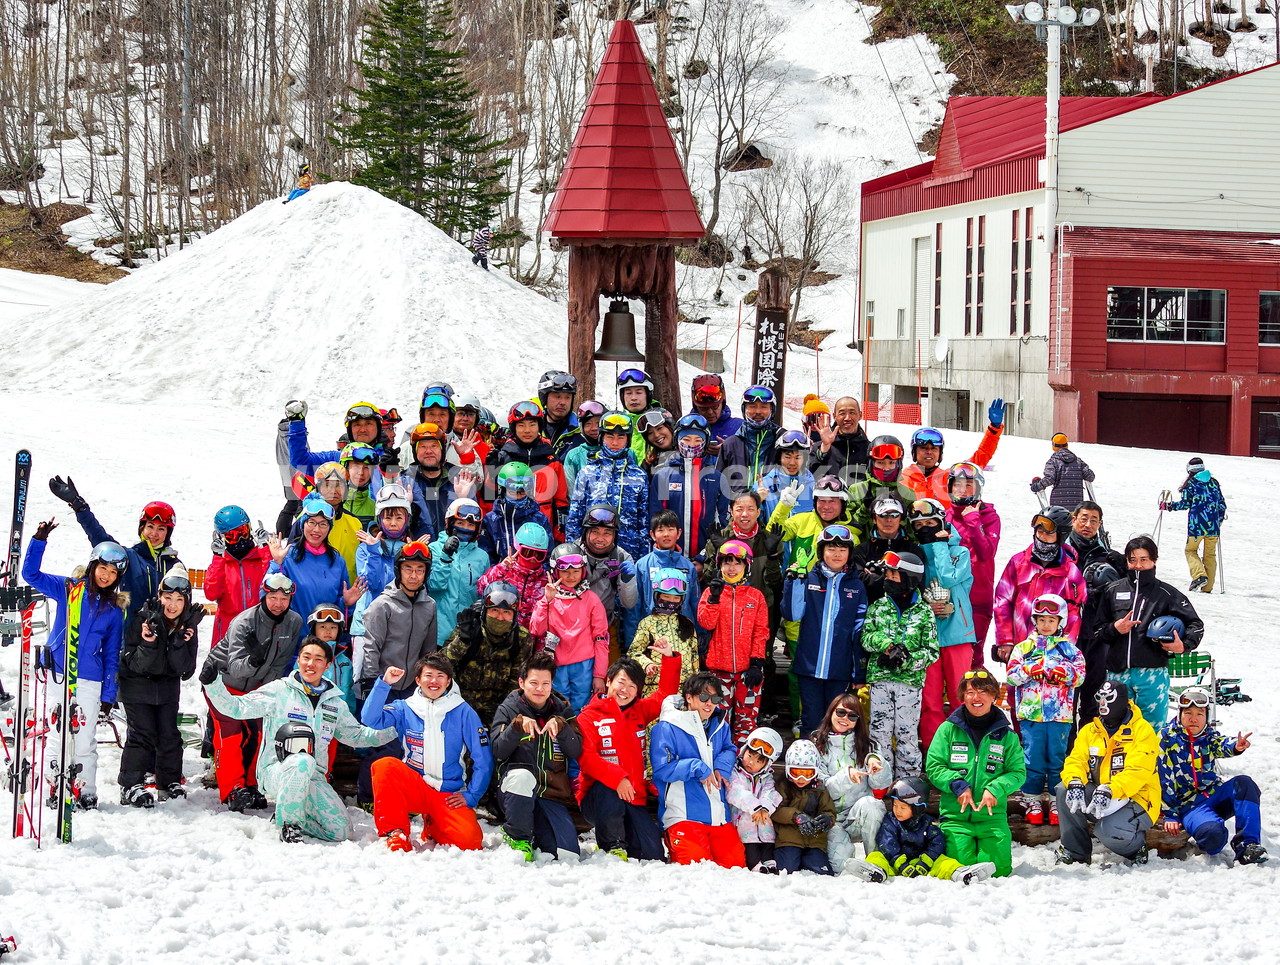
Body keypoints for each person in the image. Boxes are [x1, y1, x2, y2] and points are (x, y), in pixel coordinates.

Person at [206, 638, 394, 843]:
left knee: (341, 832)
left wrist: (394, 732)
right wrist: (213, 683)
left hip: (314, 778)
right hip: (277, 772)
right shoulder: (279, 691)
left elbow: (356, 735)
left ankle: (289, 816)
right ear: (298, 661)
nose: (310, 664)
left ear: (327, 665)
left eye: (318, 659)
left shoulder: (334, 702)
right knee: (302, 760)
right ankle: (289, 824)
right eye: (306, 657)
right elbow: (236, 707)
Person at [21, 522, 126, 811]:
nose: (106, 576)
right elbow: (30, 575)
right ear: (93, 566)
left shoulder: (114, 611)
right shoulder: (69, 589)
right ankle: (56, 784)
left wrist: (108, 695)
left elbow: (111, 657)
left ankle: (86, 789)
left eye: (113, 572)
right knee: (57, 732)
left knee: (84, 737)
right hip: (59, 673)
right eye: (103, 568)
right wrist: (38, 541)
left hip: (90, 680)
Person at [360, 653, 493, 852]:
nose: (434, 681)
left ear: (448, 681)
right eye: (428, 675)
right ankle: (396, 832)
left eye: (440, 676)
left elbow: (483, 757)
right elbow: (370, 719)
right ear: (418, 680)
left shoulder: (462, 710)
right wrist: (384, 684)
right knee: (384, 766)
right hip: (415, 786)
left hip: (448, 793)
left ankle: (433, 824)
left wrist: (472, 795)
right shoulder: (405, 707)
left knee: (469, 842)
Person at [198, 572, 304, 810]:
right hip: (222, 683)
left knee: (259, 732)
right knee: (231, 731)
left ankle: (252, 784)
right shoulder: (244, 622)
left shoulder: (294, 622)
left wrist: (264, 693)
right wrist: (253, 663)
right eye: (273, 597)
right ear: (264, 596)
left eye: (284, 599)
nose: (278, 604)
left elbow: (280, 664)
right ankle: (232, 789)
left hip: (257, 686)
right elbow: (235, 668)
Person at [577, 651, 680, 860]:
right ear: (608, 682)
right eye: (621, 683)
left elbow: (664, 695)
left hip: (633, 796)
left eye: (632, 686)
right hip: (598, 797)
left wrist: (670, 658)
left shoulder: (640, 711)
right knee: (607, 787)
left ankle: (627, 841)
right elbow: (587, 758)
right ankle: (612, 846)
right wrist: (617, 778)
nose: (625, 691)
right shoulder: (588, 716)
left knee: (652, 854)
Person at [924, 670, 1025, 877]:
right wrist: (957, 784)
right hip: (956, 818)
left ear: (994, 696)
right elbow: (934, 766)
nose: (976, 698)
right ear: (962, 696)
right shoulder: (948, 729)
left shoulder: (1006, 734)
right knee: (960, 870)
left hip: (992, 819)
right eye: (970, 692)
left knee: (997, 872)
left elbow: (1018, 772)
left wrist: (995, 789)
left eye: (983, 691)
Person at [117, 565, 202, 807]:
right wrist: (150, 642)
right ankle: (130, 785)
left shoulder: (187, 626)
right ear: (159, 597)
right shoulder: (143, 619)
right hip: (136, 686)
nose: (172, 605)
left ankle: (169, 782)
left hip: (166, 690)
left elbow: (185, 670)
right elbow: (137, 665)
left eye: (178, 599)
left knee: (169, 736)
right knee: (142, 734)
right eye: (167, 598)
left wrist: (178, 643)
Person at [1096, 535, 1204, 724]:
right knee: (1115, 729)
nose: (1138, 565)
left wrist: (1183, 646)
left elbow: (1195, 625)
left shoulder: (1166, 593)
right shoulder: (1112, 590)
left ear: (1154, 560)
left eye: (1143, 559)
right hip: (1117, 673)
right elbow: (1097, 630)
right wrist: (1115, 628)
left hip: (1152, 674)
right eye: (1133, 560)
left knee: (1152, 730)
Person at [47, 477, 182, 625]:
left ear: (167, 533)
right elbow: (100, 539)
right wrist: (79, 507)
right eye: (150, 526)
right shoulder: (130, 557)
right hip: (130, 636)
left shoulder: (175, 566)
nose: (154, 534)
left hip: (162, 641)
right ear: (142, 528)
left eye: (161, 529)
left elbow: (183, 603)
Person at [490, 651, 584, 861]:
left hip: (550, 793)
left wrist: (562, 728)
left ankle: (534, 831)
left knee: (566, 853)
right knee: (522, 776)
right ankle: (517, 836)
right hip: (515, 792)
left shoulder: (563, 710)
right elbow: (497, 750)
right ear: (522, 682)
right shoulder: (508, 709)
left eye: (545, 683)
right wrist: (516, 728)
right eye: (533, 682)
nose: (539, 689)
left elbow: (575, 750)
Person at [1158, 686, 1266, 865]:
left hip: (1215, 795)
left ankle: (1248, 845)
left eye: (1200, 714)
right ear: (1179, 714)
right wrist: (1170, 814)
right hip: (1190, 806)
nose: (1194, 719)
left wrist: (1235, 746)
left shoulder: (1207, 734)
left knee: (1245, 784)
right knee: (1213, 837)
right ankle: (1208, 829)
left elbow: (1221, 743)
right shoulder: (1166, 739)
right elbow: (1164, 779)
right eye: (1188, 713)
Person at [1055, 680, 1160, 866]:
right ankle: (1075, 851)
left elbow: (1138, 771)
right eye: (1100, 698)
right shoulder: (1090, 730)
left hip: (1138, 798)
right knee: (1064, 790)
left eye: (1109, 699)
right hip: (1102, 796)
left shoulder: (1142, 731)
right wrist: (1075, 782)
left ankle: (1136, 847)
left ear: (1122, 701)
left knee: (1107, 831)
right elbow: (1075, 760)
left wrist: (1110, 790)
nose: (1103, 704)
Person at [649, 673, 746, 868]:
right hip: (682, 815)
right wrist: (696, 767)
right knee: (696, 868)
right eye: (703, 697)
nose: (709, 703)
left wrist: (722, 767)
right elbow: (661, 769)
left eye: (715, 699)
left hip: (718, 816)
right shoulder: (667, 727)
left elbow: (729, 749)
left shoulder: (720, 725)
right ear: (689, 697)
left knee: (735, 868)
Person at [1005, 593, 1085, 826]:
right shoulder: (1024, 648)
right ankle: (1033, 799)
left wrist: (1065, 673)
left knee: (1057, 759)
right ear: (1034, 621)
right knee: (1033, 758)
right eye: (1041, 620)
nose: (1046, 625)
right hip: (1031, 715)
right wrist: (1030, 670)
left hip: (1060, 715)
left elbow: (1080, 675)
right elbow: (1011, 675)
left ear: (1060, 622)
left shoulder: (1069, 650)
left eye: (1051, 620)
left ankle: (1055, 800)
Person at [782, 526, 869, 736]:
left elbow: (859, 631)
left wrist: (859, 672)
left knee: (838, 722)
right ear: (822, 552)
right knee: (811, 720)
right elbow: (792, 614)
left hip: (839, 669)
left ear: (849, 553)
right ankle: (807, 767)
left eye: (842, 549)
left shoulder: (856, 586)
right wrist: (795, 579)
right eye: (831, 548)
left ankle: (834, 765)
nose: (837, 554)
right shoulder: (809, 578)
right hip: (809, 667)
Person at [860, 549, 937, 780]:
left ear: (909, 579)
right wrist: (886, 646)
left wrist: (905, 660)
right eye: (887, 575)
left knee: (906, 734)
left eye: (893, 576)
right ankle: (879, 780)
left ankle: (908, 783)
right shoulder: (879, 607)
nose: (887, 580)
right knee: (879, 732)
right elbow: (865, 637)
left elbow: (932, 652)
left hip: (909, 685)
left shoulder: (924, 612)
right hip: (881, 682)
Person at [910, 498, 976, 747]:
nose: (926, 528)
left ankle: (966, 747)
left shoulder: (960, 552)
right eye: (920, 525)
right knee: (930, 700)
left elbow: (948, 578)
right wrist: (924, 606)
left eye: (931, 523)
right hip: (926, 637)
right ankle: (933, 748)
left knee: (963, 696)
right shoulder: (915, 556)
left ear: (943, 523)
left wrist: (939, 545)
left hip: (957, 633)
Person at [849, 778, 996, 884]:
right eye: (895, 805)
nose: (897, 811)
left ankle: (960, 873)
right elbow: (887, 843)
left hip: (921, 862)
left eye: (903, 807)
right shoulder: (891, 821)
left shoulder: (926, 823)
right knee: (876, 855)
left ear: (917, 808)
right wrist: (900, 863)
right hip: (895, 862)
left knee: (944, 861)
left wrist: (925, 862)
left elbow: (937, 842)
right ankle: (875, 871)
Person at [697, 540, 771, 745]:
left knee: (746, 722)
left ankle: (742, 766)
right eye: (726, 563)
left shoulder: (755, 596)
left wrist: (757, 662)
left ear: (746, 566)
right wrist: (713, 598)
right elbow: (705, 622)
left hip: (747, 672)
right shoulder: (712, 593)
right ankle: (718, 762)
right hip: (718, 671)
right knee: (718, 719)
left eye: (737, 563)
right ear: (719, 566)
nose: (731, 568)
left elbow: (761, 631)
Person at [992, 508, 1085, 667]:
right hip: (1020, 648)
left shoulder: (1069, 572)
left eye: (1048, 534)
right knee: (1017, 688)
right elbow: (1002, 602)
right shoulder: (1019, 562)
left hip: (1054, 653)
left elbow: (1074, 614)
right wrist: (1005, 639)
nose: (1042, 537)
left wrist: (1065, 649)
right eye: (1039, 532)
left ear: (1060, 536)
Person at [811, 694, 890, 873]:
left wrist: (879, 765)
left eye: (852, 716)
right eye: (841, 712)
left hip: (859, 814)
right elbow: (822, 788)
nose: (845, 718)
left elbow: (880, 785)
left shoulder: (869, 746)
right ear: (831, 712)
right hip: (832, 818)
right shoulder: (817, 745)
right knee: (842, 867)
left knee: (872, 804)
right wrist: (847, 776)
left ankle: (876, 859)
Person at [442, 581, 536, 729]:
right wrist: (462, 640)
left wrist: (504, 713)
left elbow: (517, 681)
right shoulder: (471, 629)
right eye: (495, 611)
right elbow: (442, 665)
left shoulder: (521, 638)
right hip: (460, 702)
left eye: (506, 613)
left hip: (497, 706)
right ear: (485, 610)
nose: (500, 618)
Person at [530, 544, 609, 713]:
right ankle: (560, 737)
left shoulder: (591, 600)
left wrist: (599, 675)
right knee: (558, 706)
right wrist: (546, 601)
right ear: (556, 572)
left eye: (576, 571)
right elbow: (536, 630)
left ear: (583, 570)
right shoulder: (549, 598)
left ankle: (580, 737)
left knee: (583, 708)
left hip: (584, 665)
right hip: (556, 664)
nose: (571, 576)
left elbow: (601, 638)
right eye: (565, 571)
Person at [566, 410, 650, 560]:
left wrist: (642, 558)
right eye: (610, 436)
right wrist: (574, 555)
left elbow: (643, 522)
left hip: (629, 553)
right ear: (601, 438)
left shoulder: (639, 476)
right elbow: (575, 517)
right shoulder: (587, 473)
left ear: (628, 439)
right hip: (592, 553)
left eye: (621, 437)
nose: (615, 443)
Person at [266, 498, 363, 624]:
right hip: (294, 637)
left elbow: (340, 607)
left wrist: (346, 603)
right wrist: (277, 563)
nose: (316, 530)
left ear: (329, 528)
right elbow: (267, 595)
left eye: (323, 524)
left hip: (325, 639)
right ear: (303, 525)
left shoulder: (337, 561)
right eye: (311, 522)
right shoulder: (287, 557)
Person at [647, 413, 728, 559]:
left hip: (706, 560)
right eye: (686, 439)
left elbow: (723, 522)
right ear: (677, 440)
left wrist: (706, 558)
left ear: (706, 442)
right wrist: (666, 556)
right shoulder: (664, 476)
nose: (692, 445)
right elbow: (656, 519)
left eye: (698, 440)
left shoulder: (716, 478)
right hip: (670, 559)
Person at [944, 462, 1001, 665]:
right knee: (950, 657)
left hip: (977, 598)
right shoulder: (945, 516)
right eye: (957, 485)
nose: (962, 490)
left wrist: (973, 520)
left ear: (977, 488)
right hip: (950, 598)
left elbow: (987, 552)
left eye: (968, 485)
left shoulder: (989, 517)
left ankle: (975, 695)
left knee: (973, 657)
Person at [350, 483, 413, 670]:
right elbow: (372, 583)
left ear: (407, 519)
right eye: (388, 518)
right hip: (366, 627)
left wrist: (412, 557)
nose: (393, 523)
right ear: (379, 519)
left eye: (398, 518)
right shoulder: (365, 548)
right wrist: (374, 551)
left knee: (391, 680)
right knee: (362, 680)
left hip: (397, 628)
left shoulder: (411, 548)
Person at [487, 401, 569, 538]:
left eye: (532, 425)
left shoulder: (551, 459)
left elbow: (561, 502)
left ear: (539, 426)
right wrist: (492, 473)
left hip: (543, 531)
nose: (527, 430)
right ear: (513, 428)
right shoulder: (503, 456)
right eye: (521, 425)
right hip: (509, 530)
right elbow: (489, 498)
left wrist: (559, 536)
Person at [901, 402, 1005, 508]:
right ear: (914, 452)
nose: (929, 452)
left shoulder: (949, 477)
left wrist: (993, 430)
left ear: (940, 453)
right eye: (924, 448)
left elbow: (981, 457)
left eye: (934, 449)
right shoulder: (903, 479)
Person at [205, 505, 272, 647]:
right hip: (228, 632)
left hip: (258, 628)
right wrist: (218, 558)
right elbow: (211, 593)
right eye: (232, 536)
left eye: (243, 532)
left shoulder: (260, 559)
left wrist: (265, 548)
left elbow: (272, 581)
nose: (240, 539)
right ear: (222, 538)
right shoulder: (223, 564)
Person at [426, 498, 489, 647]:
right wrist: (445, 556)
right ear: (450, 523)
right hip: (438, 634)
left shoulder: (482, 557)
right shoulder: (433, 549)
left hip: (467, 634)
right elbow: (433, 585)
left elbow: (483, 592)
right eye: (460, 523)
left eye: (470, 524)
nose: (465, 528)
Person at [627, 568, 700, 695]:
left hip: (684, 688)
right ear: (657, 595)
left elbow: (694, 655)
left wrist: (696, 683)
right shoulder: (648, 623)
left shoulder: (687, 623)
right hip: (655, 687)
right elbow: (633, 652)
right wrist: (647, 664)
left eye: (676, 598)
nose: (671, 601)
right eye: (666, 597)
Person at [628, 510, 699, 640]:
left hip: (683, 633)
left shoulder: (688, 566)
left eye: (671, 529)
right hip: (652, 634)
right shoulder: (643, 565)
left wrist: (700, 636)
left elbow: (695, 603)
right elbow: (635, 605)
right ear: (653, 534)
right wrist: (632, 639)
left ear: (678, 533)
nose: (666, 534)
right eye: (660, 530)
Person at [476, 522, 551, 641]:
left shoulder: (546, 582)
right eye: (528, 553)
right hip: (502, 640)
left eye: (539, 555)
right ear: (517, 548)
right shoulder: (504, 571)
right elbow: (481, 588)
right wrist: (499, 569)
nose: (533, 559)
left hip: (531, 643)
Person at [771, 740, 837, 875]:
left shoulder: (820, 789)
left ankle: (811, 862)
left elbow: (829, 810)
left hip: (814, 841)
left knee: (822, 873)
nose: (801, 779)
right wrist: (796, 816)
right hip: (789, 840)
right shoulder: (784, 786)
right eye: (795, 773)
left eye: (807, 774)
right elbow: (775, 810)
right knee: (786, 870)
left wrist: (827, 820)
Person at [726, 727, 785, 873]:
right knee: (751, 848)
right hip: (743, 823)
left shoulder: (767, 777)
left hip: (763, 824)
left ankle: (769, 863)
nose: (751, 762)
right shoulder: (735, 772)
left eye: (759, 761)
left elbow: (770, 793)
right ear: (744, 750)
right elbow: (736, 791)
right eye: (750, 755)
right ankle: (756, 866)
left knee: (767, 844)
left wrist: (765, 808)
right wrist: (755, 807)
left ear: (767, 764)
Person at [1163, 456, 1227, 593]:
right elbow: (1222, 504)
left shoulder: (1191, 484)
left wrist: (1169, 506)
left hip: (1196, 526)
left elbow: (1185, 503)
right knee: (1210, 555)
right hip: (1213, 527)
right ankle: (1208, 586)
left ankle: (1199, 575)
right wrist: (1219, 519)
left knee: (1190, 550)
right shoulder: (1214, 483)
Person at [479, 462, 553, 564]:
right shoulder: (491, 520)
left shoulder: (539, 519)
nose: (518, 494)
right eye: (513, 488)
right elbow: (485, 555)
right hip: (500, 575)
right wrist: (499, 571)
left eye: (523, 489)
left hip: (531, 575)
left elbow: (547, 555)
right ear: (503, 489)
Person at [848, 493, 914, 604]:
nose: (888, 519)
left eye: (894, 515)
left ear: (901, 519)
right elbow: (855, 581)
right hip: (868, 614)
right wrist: (894, 579)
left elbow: (914, 583)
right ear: (874, 519)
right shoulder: (860, 551)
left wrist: (873, 578)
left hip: (905, 613)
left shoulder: (913, 550)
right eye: (882, 514)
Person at [846, 436, 918, 536]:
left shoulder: (907, 493)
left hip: (896, 548)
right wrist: (865, 509)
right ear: (872, 464)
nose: (886, 468)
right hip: (864, 549)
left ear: (898, 465)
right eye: (880, 463)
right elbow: (848, 528)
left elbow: (912, 531)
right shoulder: (857, 490)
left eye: (891, 463)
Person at [716, 386, 781, 494]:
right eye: (752, 406)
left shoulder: (781, 442)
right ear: (744, 409)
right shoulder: (731, 444)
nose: (758, 411)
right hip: (739, 508)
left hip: (774, 508)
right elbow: (718, 483)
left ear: (772, 410)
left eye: (764, 407)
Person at [402, 422, 460, 540]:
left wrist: (464, 498)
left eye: (434, 446)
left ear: (442, 450)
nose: (428, 451)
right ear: (415, 452)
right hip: (419, 551)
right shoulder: (405, 481)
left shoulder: (457, 479)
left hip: (453, 551)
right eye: (422, 446)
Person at [808, 396, 870, 484]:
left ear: (860, 415)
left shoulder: (869, 449)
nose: (847, 418)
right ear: (834, 416)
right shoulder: (819, 448)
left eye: (852, 413)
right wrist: (825, 448)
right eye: (842, 413)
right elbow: (812, 477)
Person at [1030, 433, 1095, 509]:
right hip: (1077, 505)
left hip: (1058, 505)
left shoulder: (1053, 461)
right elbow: (1090, 477)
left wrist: (1037, 486)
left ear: (1053, 446)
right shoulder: (1078, 461)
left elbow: (1049, 478)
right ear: (1066, 445)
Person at [689, 373, 741, 458]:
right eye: (703, 409)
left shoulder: (739, 428)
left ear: (722, 403)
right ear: (696, 407)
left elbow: (756, 456)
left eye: (715, 407)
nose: (710, 412)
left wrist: (730, 451)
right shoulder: (686, 427)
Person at [557, 400, 604, 490]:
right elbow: (570, 490)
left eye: (598, 423)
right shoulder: (574, 456)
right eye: (588, 424)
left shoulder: (619, 451)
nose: (594, 428)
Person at [536, 370, 580, 448]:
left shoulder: (582, 430)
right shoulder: (531, 427)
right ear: (544, 398)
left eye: (568, 397)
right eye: (557, 397)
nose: (563, 402)